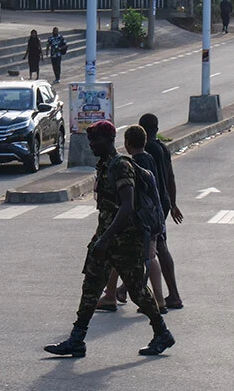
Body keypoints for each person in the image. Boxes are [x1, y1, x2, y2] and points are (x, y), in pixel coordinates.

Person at [43, 120, 175, 358]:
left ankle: (162, 332)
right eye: (90, 140)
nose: (92, 145)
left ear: (109, 141)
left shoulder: (120, 166)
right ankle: (77, 339)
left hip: (125, 240)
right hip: (106, 236)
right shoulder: (104, 165)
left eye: (96, 141)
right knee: (91, 285)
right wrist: (101, 239)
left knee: (137, 291)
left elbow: (126, 207)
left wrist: (105, 239)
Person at [96, 125, 168, 314]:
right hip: (153, 214)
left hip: (140, 218)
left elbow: (130, 197)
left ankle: (156, 302)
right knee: (126, 256)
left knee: (144, 257)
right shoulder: (149, 158)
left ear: (127, 144)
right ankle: (113, 294)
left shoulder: (131, 165)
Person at [139, 113, 184, 309]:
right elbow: (171, 177)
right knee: (158, 247)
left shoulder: (147, 150)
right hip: (164, 202)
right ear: (157, 128)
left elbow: (149, 181)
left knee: (154, 248)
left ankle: (171, 295)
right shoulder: (163, 148)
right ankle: (171, 294)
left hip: (153, 205)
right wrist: (172, 204)